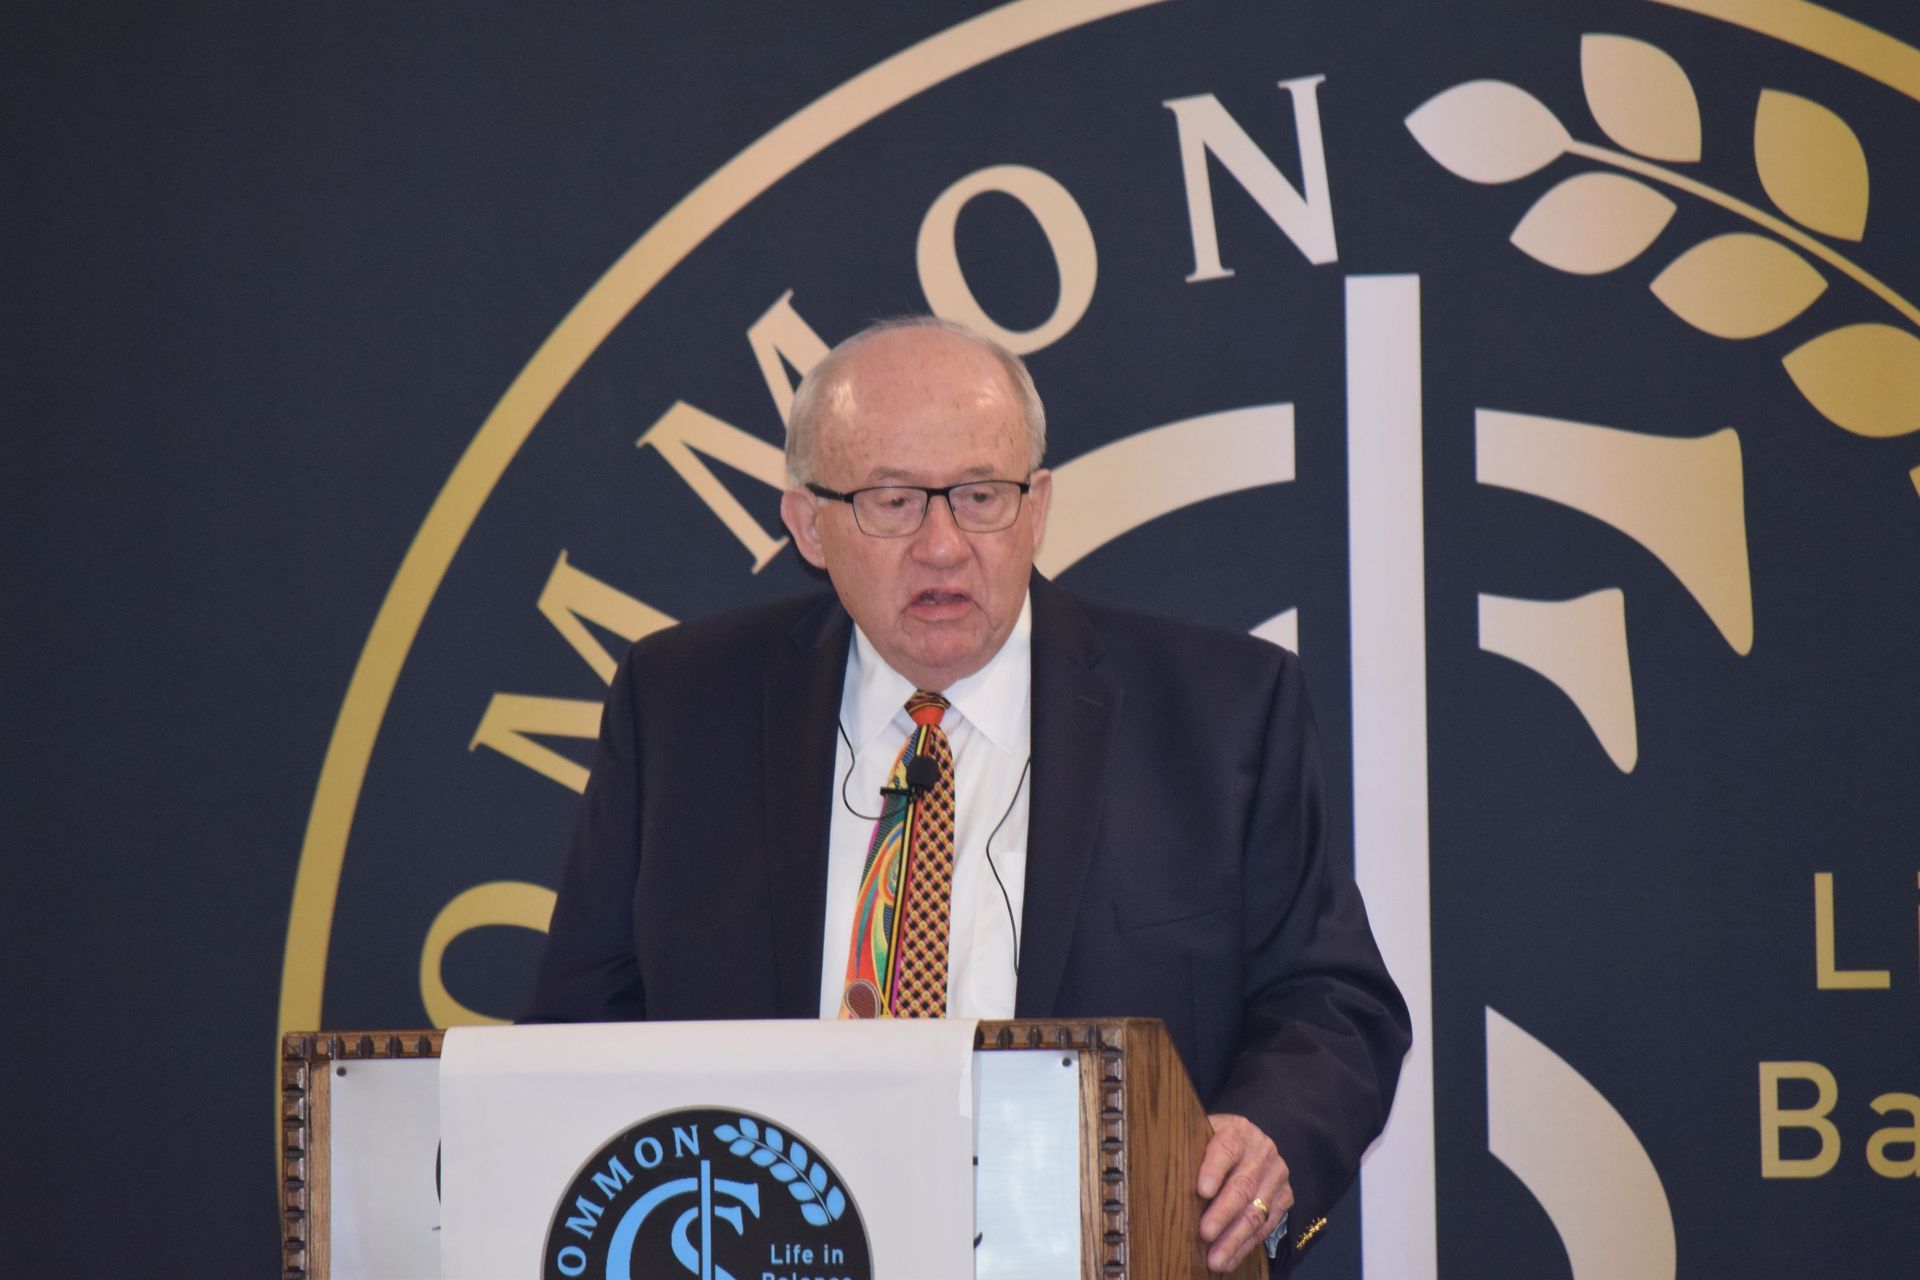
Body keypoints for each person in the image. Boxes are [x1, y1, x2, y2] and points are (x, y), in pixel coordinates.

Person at [523, 316, 1410, 1273]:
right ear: (808, 525)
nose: (944, 546)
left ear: (1038, 506)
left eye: (981, 497)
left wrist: (1265, 1140)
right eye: (894, 501)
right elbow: (581, 1026)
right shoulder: (680, 707)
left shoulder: (1224, 710)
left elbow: (1333, 1003)